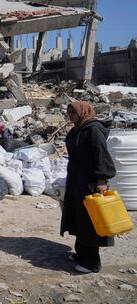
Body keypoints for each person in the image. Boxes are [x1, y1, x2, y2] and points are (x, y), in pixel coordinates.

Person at [62, 101, 116, 274]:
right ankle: (81, 254)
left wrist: (101, 180)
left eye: (73, 114)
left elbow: (101, 155)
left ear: (84, 112)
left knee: (90, 222)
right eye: (69, 113)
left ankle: (92, 263)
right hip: (78, 181)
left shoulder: (93, 130)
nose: (71, 117)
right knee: (79, 218)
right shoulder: (79, 128)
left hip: (91, 183)